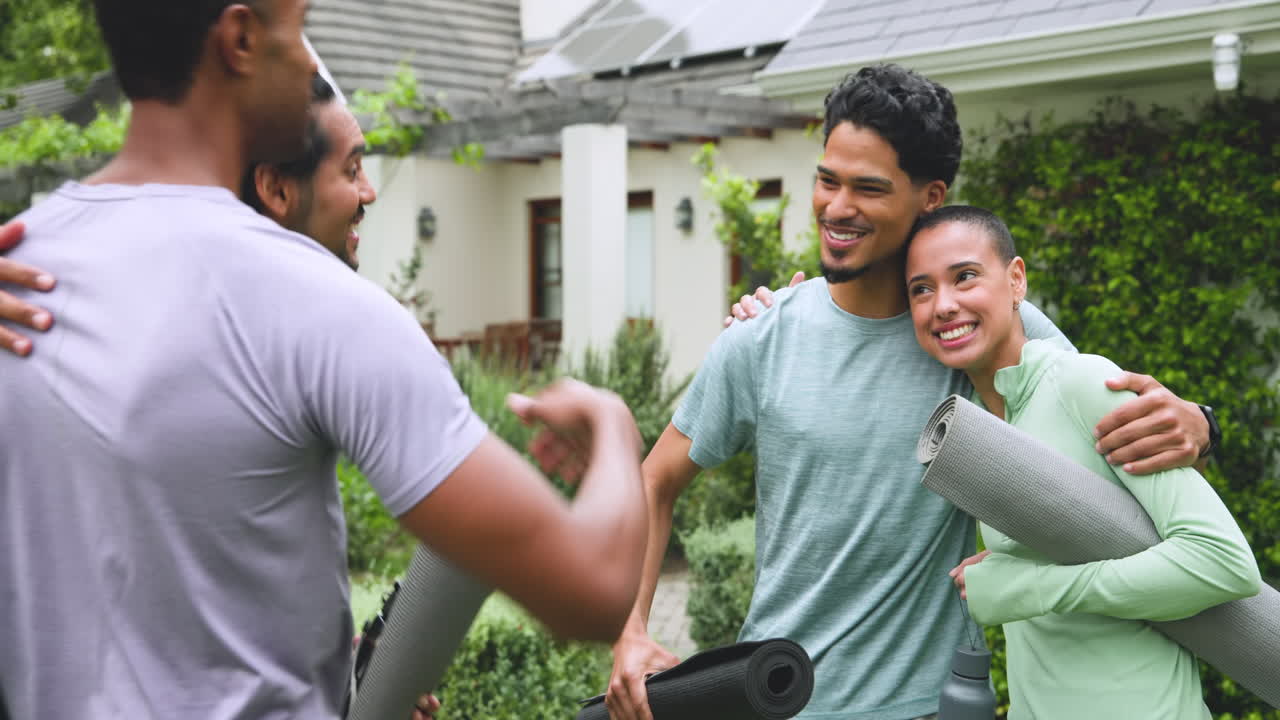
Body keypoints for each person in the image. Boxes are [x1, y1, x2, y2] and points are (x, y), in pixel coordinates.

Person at [0, 3, 647, 720]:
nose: (312, 62)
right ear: (241, 40)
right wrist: (614, 425)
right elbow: (592, 587)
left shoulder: (22, 267)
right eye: (298, 27)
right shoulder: (318, 300)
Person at [606, 64, 1214, 720]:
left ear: (929, 197)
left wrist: (1200, 424)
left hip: (933, 705)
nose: (837, 208)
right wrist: (629, 631)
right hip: (778, 697)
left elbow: (1110, 429)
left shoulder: (974, 331)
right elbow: (653, 482)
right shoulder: (761, 338)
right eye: (827, 180)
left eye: (868, 188)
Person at [904, 205, 1260, 719]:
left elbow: (1221, 563)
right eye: (921, 289)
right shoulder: (986, 430)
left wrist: (1032, 587)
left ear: (1016, 280)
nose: (943, 305)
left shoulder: (1082, 384)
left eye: (965, 277)